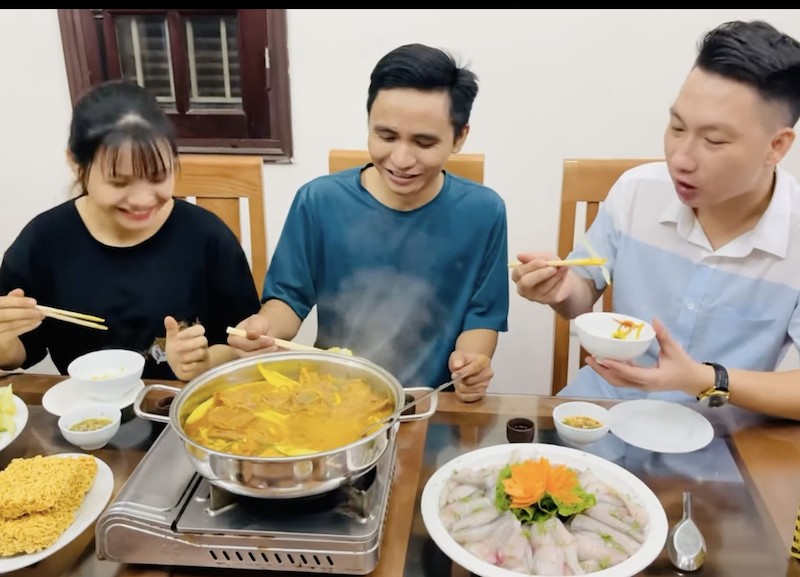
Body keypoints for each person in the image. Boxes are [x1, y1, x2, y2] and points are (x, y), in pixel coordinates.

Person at [512, 20, 800, 420]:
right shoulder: (637, 191)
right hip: (602, 414)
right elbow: (581, 295)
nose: (680, 158)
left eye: (714, 141)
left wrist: (702, 378)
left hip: (720, 443)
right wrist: (559, 289)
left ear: (777, 146)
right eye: (677, 127)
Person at [227, 43, 510, 402]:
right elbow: (287, 301)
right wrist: (263, 328)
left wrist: (473, 363)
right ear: (369, 124)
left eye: (424, 142)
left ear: (459, 137)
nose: (401, 159)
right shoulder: (319, 201)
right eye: (386, 136)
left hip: (429, 401)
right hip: (334, 398)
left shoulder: (483, 212)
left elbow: (481, 317)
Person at [0, 79, 261, 382]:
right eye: (119, 182)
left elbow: (241, 342)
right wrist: (4, 339)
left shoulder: (207, 237)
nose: (142, 199)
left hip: (182, 406)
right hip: (86, 413)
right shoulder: (44, 241)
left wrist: (200, 363)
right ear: (76, 164)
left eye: (159, 176)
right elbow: (20, 353)